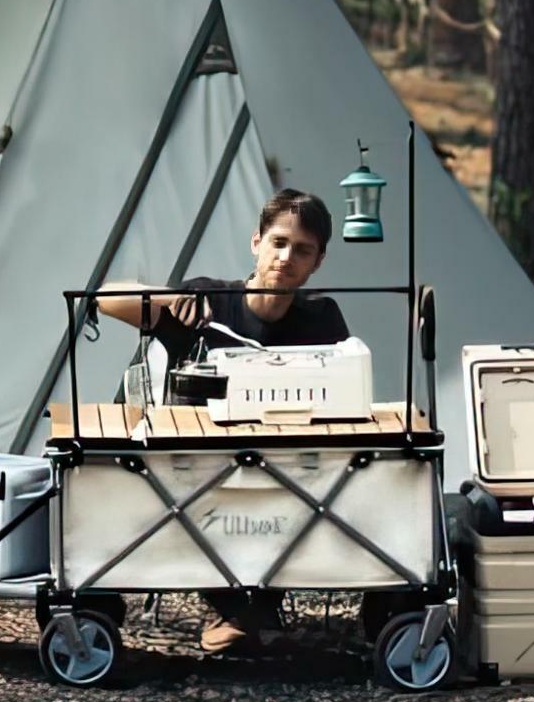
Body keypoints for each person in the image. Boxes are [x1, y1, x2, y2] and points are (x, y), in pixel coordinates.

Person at [96, 188, 351, 655]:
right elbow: (105, 300)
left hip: (270, 458)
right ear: (256, 242)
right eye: (278, 243)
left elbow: (342, 384)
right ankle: (238, 610)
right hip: (186, 457)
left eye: (302, 250)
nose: (286, 257)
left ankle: (251, 607)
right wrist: (170, 302)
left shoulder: (321, 317)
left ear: (318, 261)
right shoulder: (210, 300)